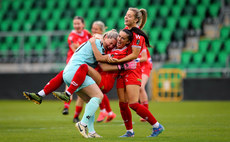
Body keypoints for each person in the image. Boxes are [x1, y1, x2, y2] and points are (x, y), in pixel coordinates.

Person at [108, 8, 164, 137]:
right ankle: (129, 132)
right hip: (122, 70)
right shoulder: (126, 31)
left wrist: (117, 61)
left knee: (133, 103)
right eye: (126, 15)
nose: (126, 17)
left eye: (129, 16)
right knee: (122, 103)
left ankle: (157, 126)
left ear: (136, 19)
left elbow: (134, 55)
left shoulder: (138, 36)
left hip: (132, 71)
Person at [73, 21, 116, 123]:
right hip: (96, 68)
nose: (93, 30)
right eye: (92, 28)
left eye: (96, 29)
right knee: (90, 93)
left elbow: (99, 59)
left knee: (92, 92)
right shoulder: (96, 38)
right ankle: (107, 112)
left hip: (98, 70)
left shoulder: (100, 40)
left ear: (101, 31)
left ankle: (103, 112)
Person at [62, 16, 92, 115]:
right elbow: (76, 50)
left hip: (84, 63)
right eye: (75, 24)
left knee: (81, 89)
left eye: (78, 23)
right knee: (69, 84)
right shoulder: (71, 36)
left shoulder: (87, 34)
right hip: (73, 63)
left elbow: (92, 45)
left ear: (83, 24)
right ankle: (66, 107)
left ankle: (76, 115)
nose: (76, 25)